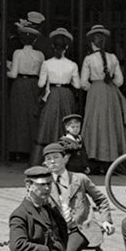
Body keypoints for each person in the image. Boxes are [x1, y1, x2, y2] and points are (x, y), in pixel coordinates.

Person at [42, 138, 113, 251]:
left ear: (65, 159)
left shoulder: (80, 179)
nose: (52, 161)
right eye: (48, 159)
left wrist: (106, 220)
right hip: (57, 231)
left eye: (56, 157)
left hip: (80, 228)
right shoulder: (44, 183)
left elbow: (101, 200)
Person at [79, 24, 126, 172]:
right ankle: (110, 161)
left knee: (94, 123)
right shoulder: (113, 57)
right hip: (110, 92)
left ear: (92, 42)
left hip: (95, 92)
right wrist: (109, 85)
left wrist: (94, 88)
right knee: (111, 124)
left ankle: (93, 159)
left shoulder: (88, 59)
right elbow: (120, 81)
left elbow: (83, 83)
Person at [33, 28, 80, 165]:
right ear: (67, 47)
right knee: (67, 125)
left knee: (48, 126)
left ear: (53, 46)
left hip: (52, 94)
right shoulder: (72, 65)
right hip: (67, 95)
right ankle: (69, 159)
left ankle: (46, 159)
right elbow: (77, 85)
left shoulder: (46, 64)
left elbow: (41, 83)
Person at [5, 17, 45, 161]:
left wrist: (5, 70)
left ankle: (17, 150)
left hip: (19, 85)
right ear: (35, 40)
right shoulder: (40, 55)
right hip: (34, 85)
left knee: (17, 117)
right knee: (33, 117)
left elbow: (13, 74)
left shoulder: (17, 53)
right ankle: (31, 149)